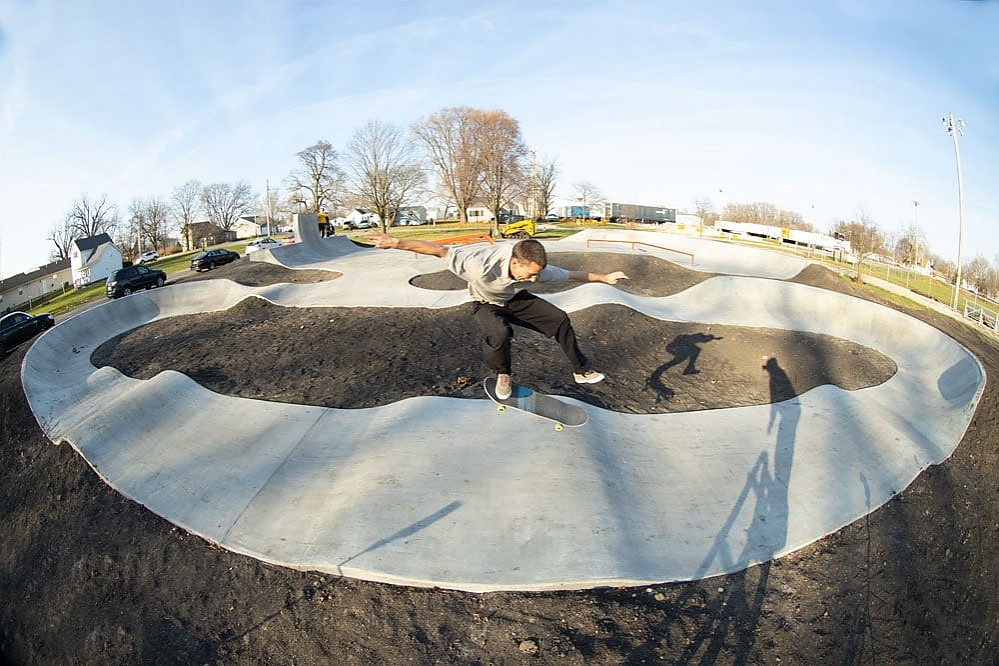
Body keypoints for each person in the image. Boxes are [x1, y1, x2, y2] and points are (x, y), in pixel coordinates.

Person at [370, 232, 628, 399]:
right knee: (500, 332)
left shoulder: (536, 270)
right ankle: (503, 375)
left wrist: (604, 278)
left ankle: (580, 370)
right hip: (483, 302)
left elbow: (573, 275)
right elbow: (439, 250)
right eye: (530, 274)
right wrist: (396, 243)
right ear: (515, 263)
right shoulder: (478, 263)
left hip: (513, 299)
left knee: (559, 318)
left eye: (538, 274)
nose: (535, 279)